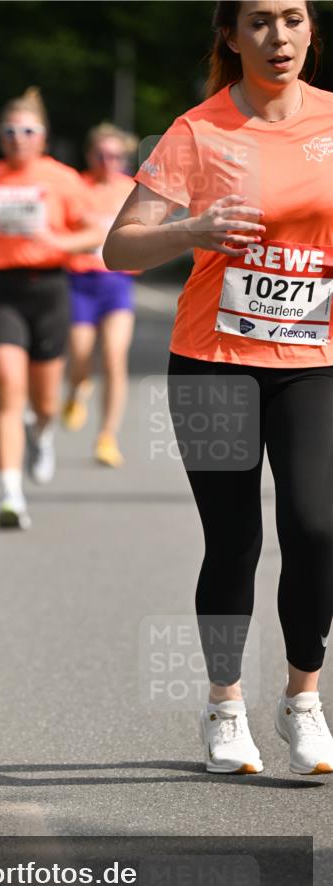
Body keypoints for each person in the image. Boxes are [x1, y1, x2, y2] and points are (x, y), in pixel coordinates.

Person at [104, 0, 332, 774]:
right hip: (212, 360)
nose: (278, 36)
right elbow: (118, 248)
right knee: (233, 542)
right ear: (230, 38)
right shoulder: (198, 132)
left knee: (316, 528)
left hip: (313, 360)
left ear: (311, 31)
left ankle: (302, 700)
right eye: (259, 21)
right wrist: (190, 231)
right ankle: (224, 707)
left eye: (292, 18)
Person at [0, 87, 104, 529]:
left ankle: (41, 432)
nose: (17, 139)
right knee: (7, 390)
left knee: (44, 402)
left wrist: (59, 241)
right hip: (1, 291)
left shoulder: (62, 178)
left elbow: (95, 232)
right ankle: (10, 494)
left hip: (50, 290)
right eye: (9, 132)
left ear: (43, 136)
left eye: (27, 131)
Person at [63, 124, 138, 467]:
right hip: (81, 281)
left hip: (117, 283)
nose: (108, 161)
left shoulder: (132, 189)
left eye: (115, 156)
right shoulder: (77, 187)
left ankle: (107, 436)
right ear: (89, 155)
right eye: (101, 155)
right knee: (80, 354)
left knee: (114, 356)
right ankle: (77, 388)